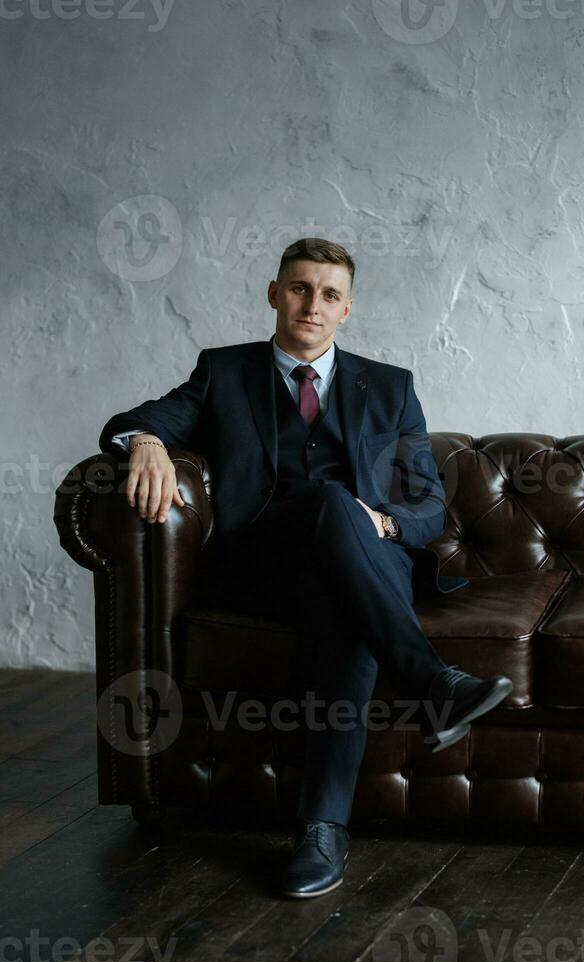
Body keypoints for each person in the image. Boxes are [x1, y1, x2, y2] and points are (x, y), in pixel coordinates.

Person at [99, 237, 513, 899]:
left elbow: (427, 504)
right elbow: (145, 417)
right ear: (273, 294)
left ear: (346, 309)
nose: (310, 306)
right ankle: (430, 684)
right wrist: (147, 442)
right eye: (298, 289)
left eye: (327, 295)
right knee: (326, 504)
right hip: (263, 564)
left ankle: (320, 832)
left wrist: (381, 523)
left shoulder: (391, 387)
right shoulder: (223, 372)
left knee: (339, 597)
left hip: (361, 564)